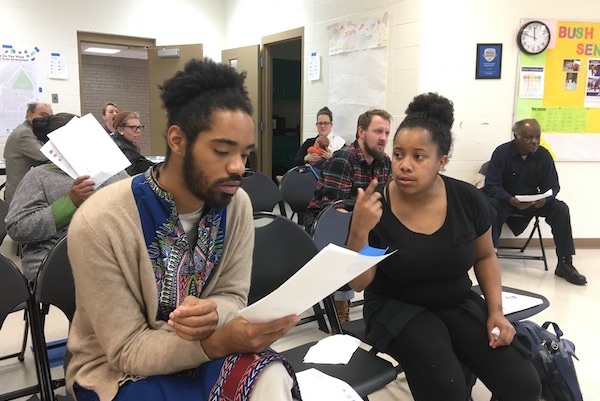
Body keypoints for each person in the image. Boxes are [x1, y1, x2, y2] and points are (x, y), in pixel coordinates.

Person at [65, 58, 301, 401]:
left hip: (206, 351)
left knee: (272, 376)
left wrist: (216, 312)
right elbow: (126, 349)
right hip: (117, 371)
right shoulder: (101, 221)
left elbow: (234, 296)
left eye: (245, 154)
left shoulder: (236, 206)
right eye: (222, 151)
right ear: (178, 140)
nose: (238, 167)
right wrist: (217, 340)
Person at [347, 93, 541, 401]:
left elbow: (485, 255)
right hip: (397, 306)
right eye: (398, 155)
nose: (405, 165)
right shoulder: (377, 206)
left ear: (442, 161)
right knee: (446, 387)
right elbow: (359, 282)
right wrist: (359, 230)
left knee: (523, 382)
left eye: (418, 157)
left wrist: (496, 311)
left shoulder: (467, 200)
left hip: (455, 301)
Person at [5, 113, 128, 281]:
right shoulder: (38, 177)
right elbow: (17, 227)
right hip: (56, 261)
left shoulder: (113, 171)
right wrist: (69, 204)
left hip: (110, 256)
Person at [304, 108, 392, 322]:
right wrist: (364, 222)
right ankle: (342, 300)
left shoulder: (385, 162)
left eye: (387, 133)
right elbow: (334, 207)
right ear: (361, 132)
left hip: (362, 219)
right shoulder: (344, 159)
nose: (383, 138)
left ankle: (382, 297)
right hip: (325, 220)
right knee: (350, 237)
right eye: (378, 131)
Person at [483, 118, 587, 286]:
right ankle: (489, 259)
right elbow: (492, 185)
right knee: (491, 206)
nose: (535, 141)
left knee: (560, 209)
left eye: (537, 136)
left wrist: (545, 199)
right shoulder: (502, 153)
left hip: (534, 202)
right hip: (507, 201)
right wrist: (511, 200)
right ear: (516, 136)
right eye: (529, 137)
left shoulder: (544, 155)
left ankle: (565, 263)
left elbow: (553, 186)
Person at [3, 102, 53, 204]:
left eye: (50, 117)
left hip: (25, 192)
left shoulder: (31, 131)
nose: (46, 120)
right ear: (29, 115)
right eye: (43, 115)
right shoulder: (24, 133)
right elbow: (45, 157)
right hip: (20, 197)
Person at [111, 110, 155, 175]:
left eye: (139, 127)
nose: (138, 131)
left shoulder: (129, 145)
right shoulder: (123, 150)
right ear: (120, 130)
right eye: (133, 127)